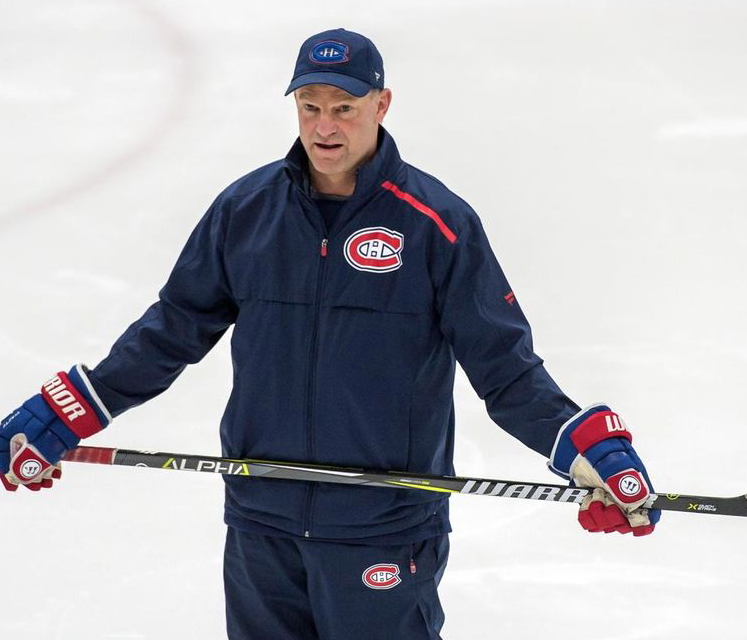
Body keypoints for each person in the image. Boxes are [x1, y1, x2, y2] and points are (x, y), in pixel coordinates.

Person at [0, 28, 659, 640]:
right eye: (309, 106)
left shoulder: (437, 226)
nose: (323, 125)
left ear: (382, 104)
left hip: (381, 530)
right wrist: (72, 409)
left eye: (343, 107)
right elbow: (172, 330)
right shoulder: (246, 211)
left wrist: (582, 448)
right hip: (262, 524)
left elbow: (503, 367)